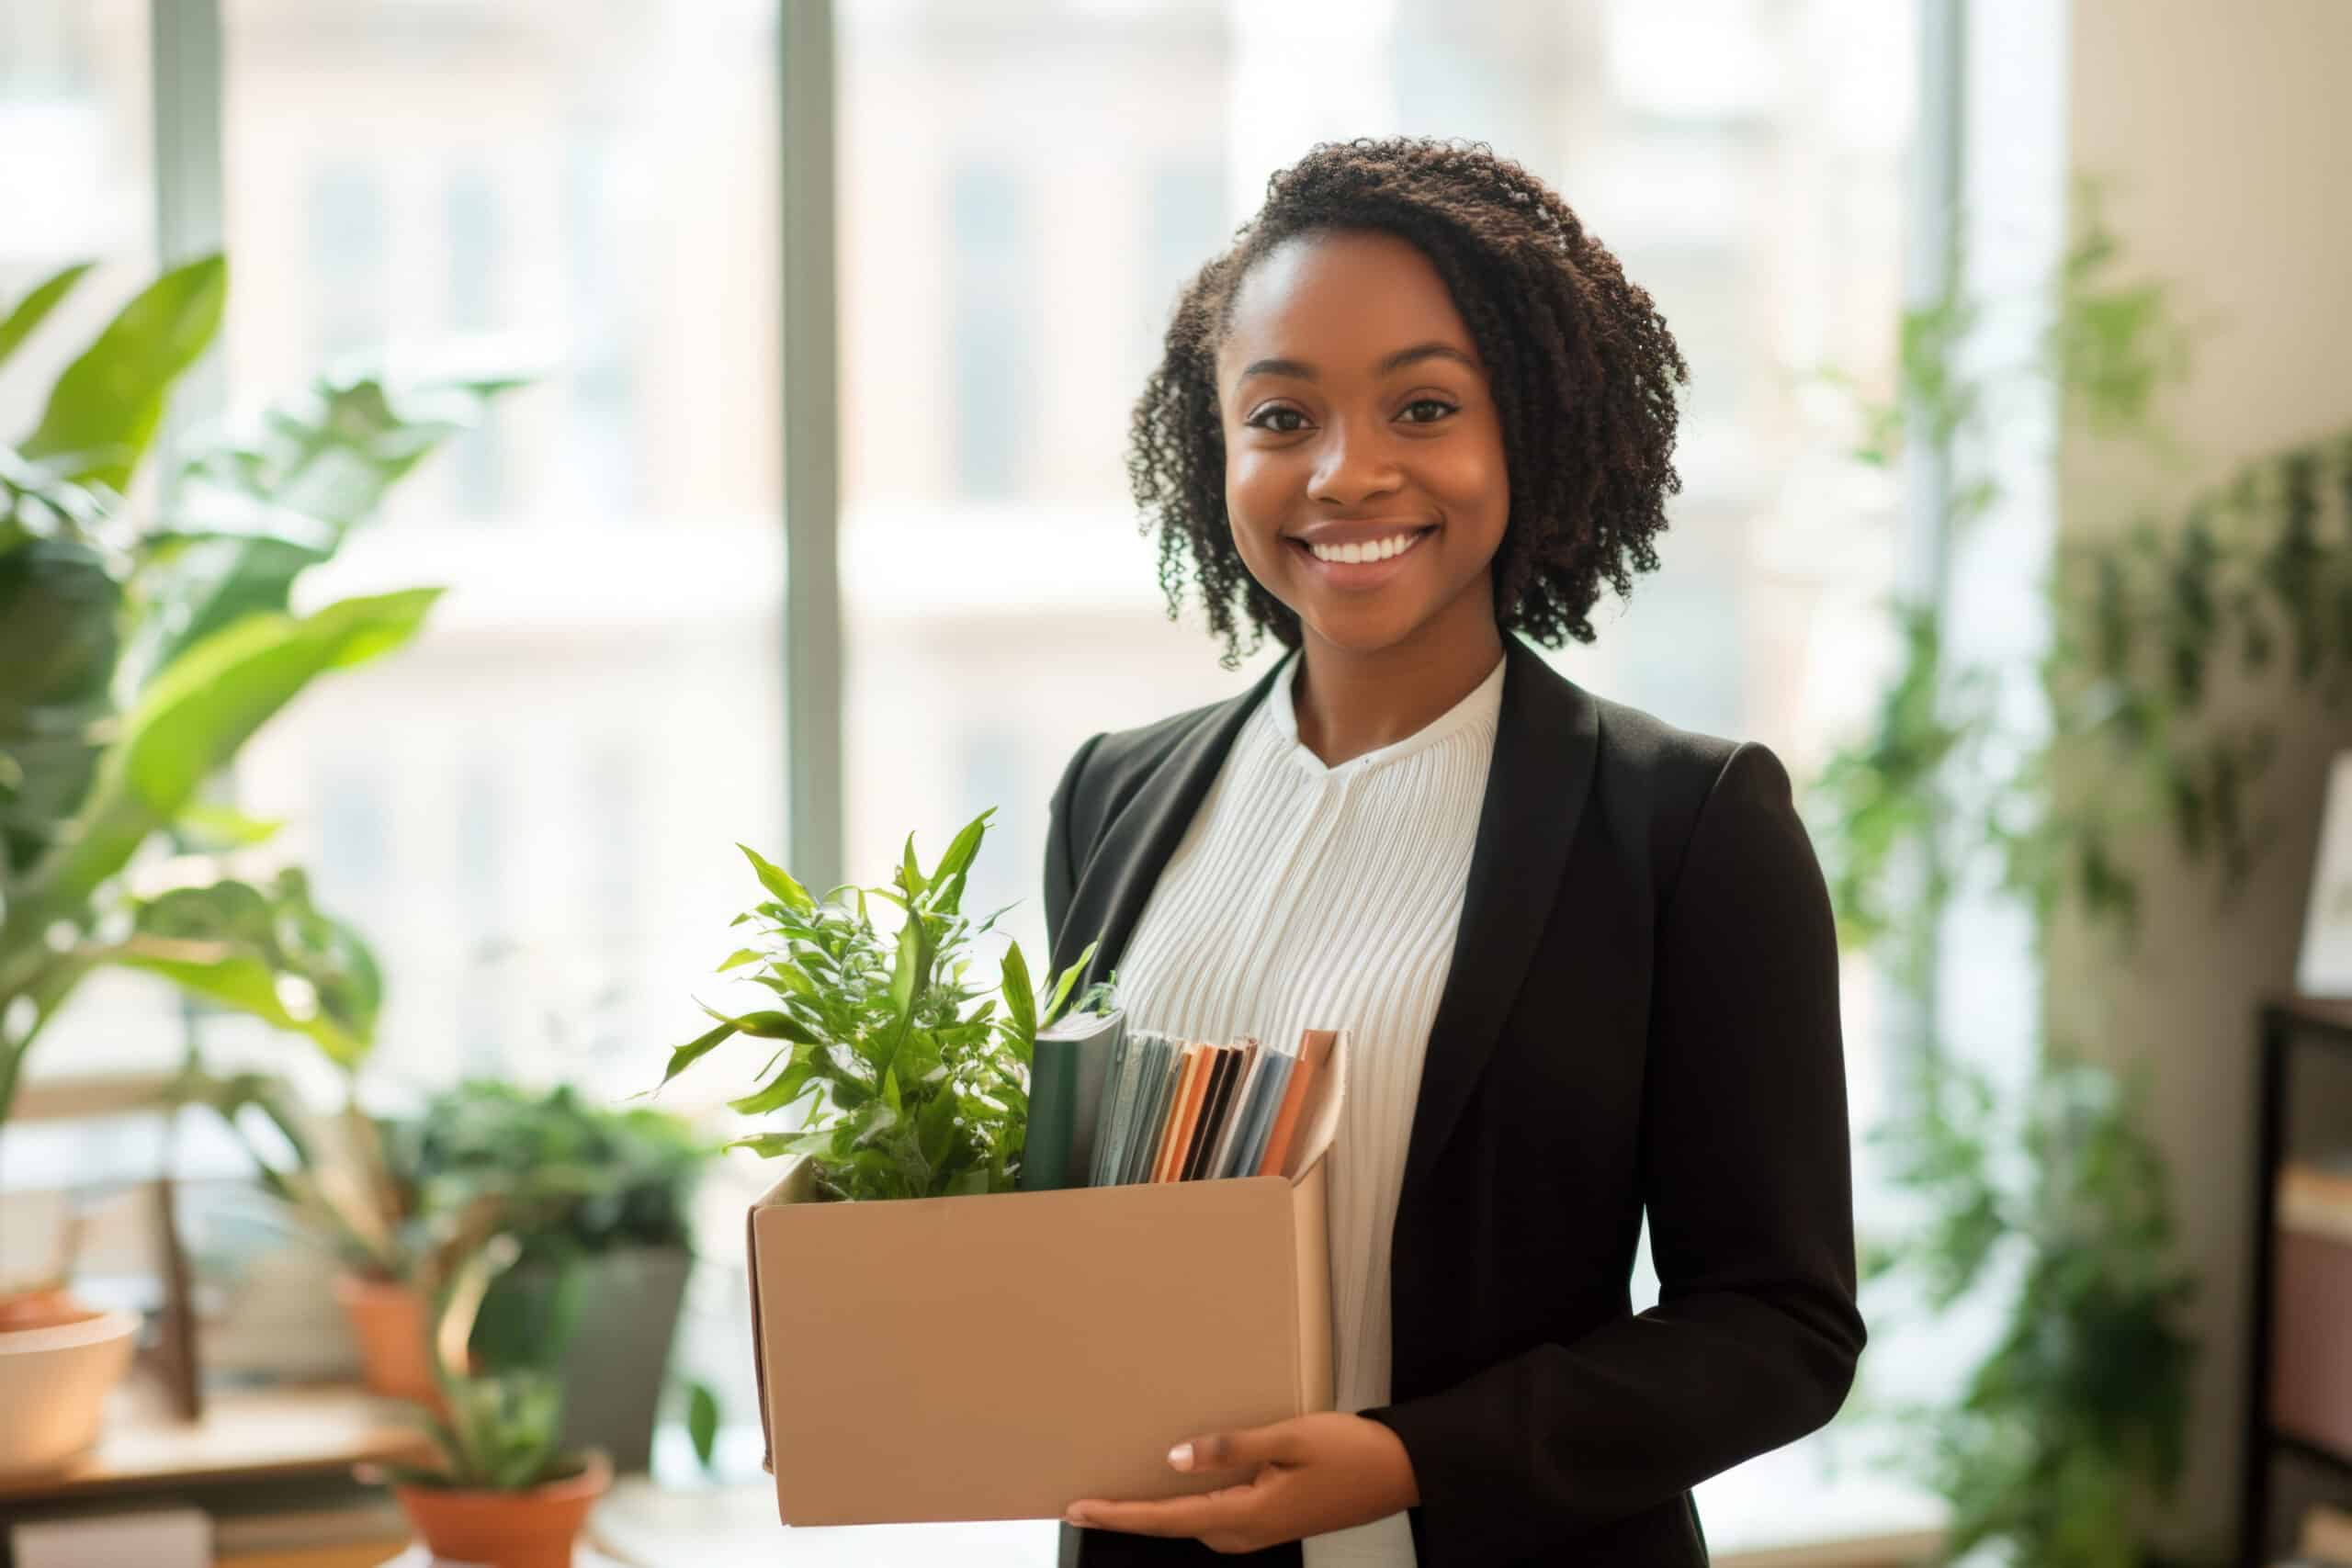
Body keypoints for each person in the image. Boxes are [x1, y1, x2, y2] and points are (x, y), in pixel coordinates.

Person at [1040, 137, 1862, 1568]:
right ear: (1215, 449)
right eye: (1282, 416)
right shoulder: (1113, 797)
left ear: (1527, 430)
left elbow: (1779, 1328)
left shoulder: (1687, 825)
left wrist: (1411, 1463)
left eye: (1423, 407)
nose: (1347, 475)